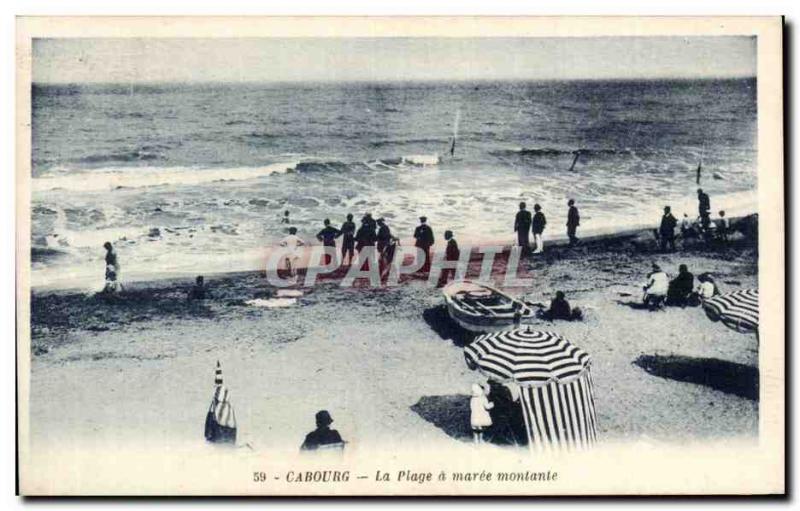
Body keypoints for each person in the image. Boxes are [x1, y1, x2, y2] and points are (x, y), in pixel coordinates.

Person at [204, 362, 237, 444]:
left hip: (219, 434)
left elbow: (209, 425)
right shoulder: (229, 407)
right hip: (229, 433)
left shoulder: (217, 404)